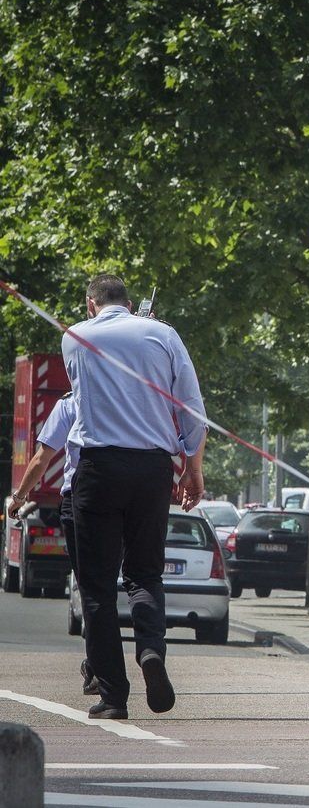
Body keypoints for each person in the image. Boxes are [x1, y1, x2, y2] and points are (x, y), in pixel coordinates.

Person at [63, 275, 207, 720]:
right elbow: (191, 407)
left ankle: (113, 694)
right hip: (151, 469)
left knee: (98, 588)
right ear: (128, 302)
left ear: (91, 304)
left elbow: (82, 397)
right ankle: (151, 651)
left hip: (99, 467)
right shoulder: (163, 334)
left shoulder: (75, 339)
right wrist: (192, 467)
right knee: (145, 574)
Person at [6, 392, 99, 695]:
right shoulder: (129, 397)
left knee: (92, 589)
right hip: (133, 499)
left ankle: (100, 668)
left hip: (81, 501)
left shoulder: (71, 403)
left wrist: (20, 497)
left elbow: (42, 457)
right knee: (129, 581)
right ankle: (149, 651)